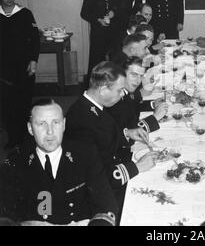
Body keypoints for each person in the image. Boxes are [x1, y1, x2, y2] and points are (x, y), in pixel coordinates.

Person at [2, 99, 118, 226]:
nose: (50, 131)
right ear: (30, 128)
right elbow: (5, 214)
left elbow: (106, 205)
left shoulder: (85, 154)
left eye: (55, 123)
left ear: (63, 124)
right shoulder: (16, 162)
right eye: (41, 124)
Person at [64, 61, 158, 215]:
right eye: (120, 90)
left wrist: (127, 134)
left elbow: (102, 139)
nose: (122, 94)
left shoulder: (94, 106)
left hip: (113, 169)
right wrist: (137, 167)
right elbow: (94, 175)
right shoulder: (81, 120)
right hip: (99, 195)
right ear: (103, 90)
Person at [0, 0, 40, 149]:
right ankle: (13, 138)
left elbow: (35, 38)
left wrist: (33, 60)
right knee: (7, 104)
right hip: (4, 69)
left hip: (24, 67)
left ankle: (25, 137)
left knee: (24, 102)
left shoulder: (25, 13)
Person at [107, 56, 168, 136]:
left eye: (141, 76)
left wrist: (153, 104)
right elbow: (127, 133)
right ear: (122, 74)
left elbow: (132, 106)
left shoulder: (126, 91)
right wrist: (155, 117)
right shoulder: (114, 98)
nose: (138, 81)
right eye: (134, 75)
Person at [81, 0, 115, 76]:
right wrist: (98, 20)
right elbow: (84, 13)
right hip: (98, 33)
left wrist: (112, 13)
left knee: (110, 59)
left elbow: (114, 8)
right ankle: (94, 87)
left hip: (111, 32)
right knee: (97, 60)